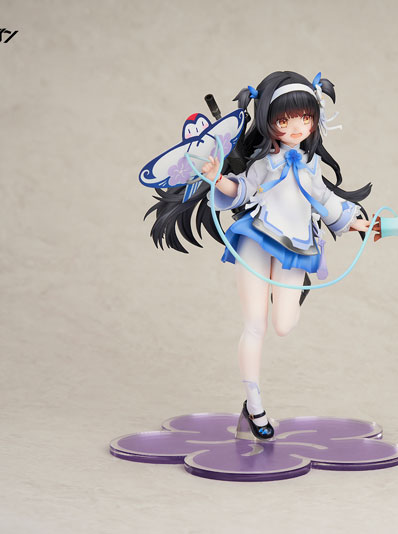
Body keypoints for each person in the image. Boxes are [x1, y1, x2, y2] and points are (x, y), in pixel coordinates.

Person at [145, 71, 371, 439]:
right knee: (255, 325)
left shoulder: (310, 165)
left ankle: (288, 295)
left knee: (284, 324)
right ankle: (255, 406)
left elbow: (326, 200)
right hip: (255, 238)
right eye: (284, 120)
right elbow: (243, 189)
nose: (296, 127)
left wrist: (356, 222)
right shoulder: (264, 163)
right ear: (268, 121)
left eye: (305, 118)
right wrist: (217, 178)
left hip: (296, 248)